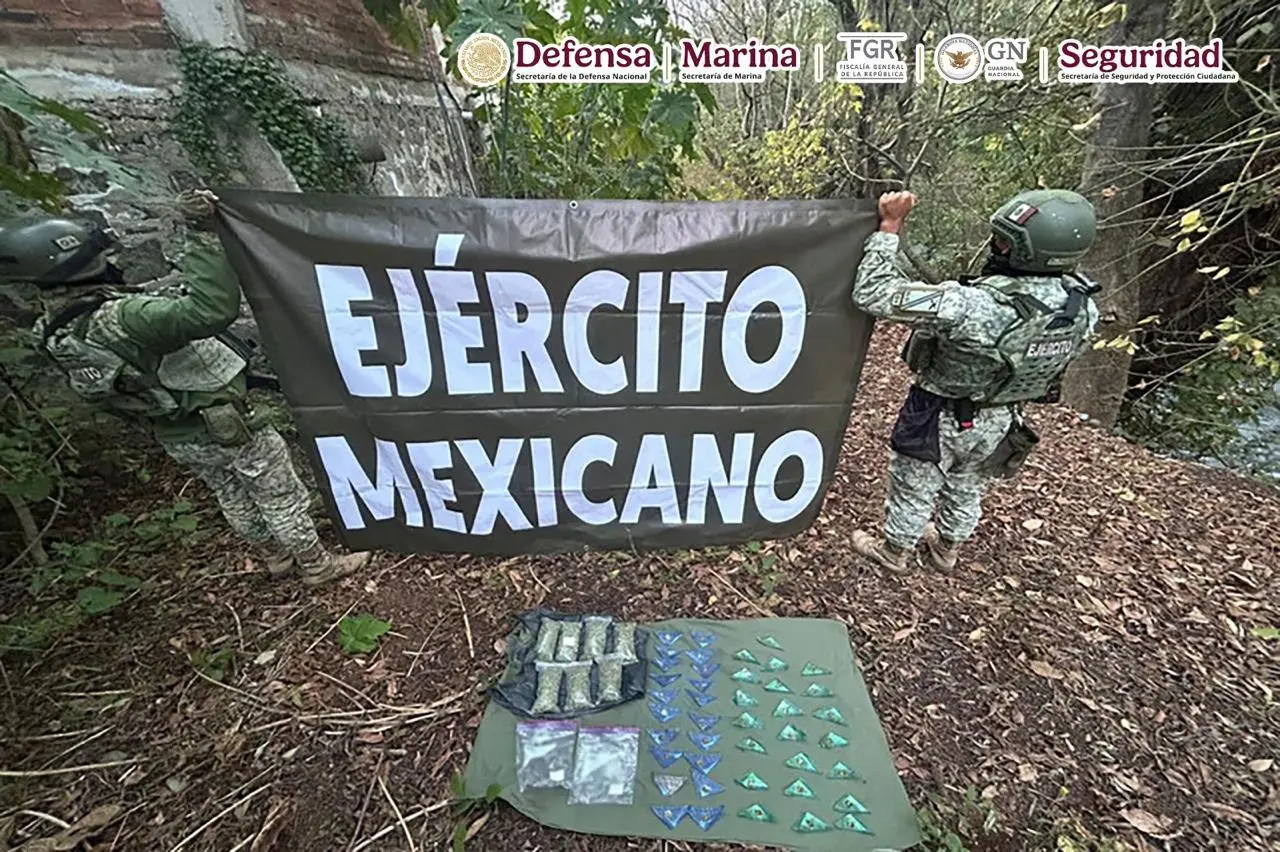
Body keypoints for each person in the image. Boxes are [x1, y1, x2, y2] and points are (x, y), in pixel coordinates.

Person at [0, 190, 371, 585]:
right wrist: (203, 233)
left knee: (231, 493)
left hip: (174, 429)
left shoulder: (52, 332)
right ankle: (316, 565)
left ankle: (276, 558)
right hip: (223, 422)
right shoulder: (124, 318)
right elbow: (209, 309)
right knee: (277, 494)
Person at [848, 188, 1101, 574]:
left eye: (1004, 241)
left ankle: (895, 551)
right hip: (1002, 416)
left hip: (938, 412)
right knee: (969, 482)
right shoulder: (1080, 306)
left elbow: (873, 293)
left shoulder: (975, 305)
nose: (996, 247)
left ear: (1027, 250)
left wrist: (890, 227)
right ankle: (946, 547)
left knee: (915, 484)